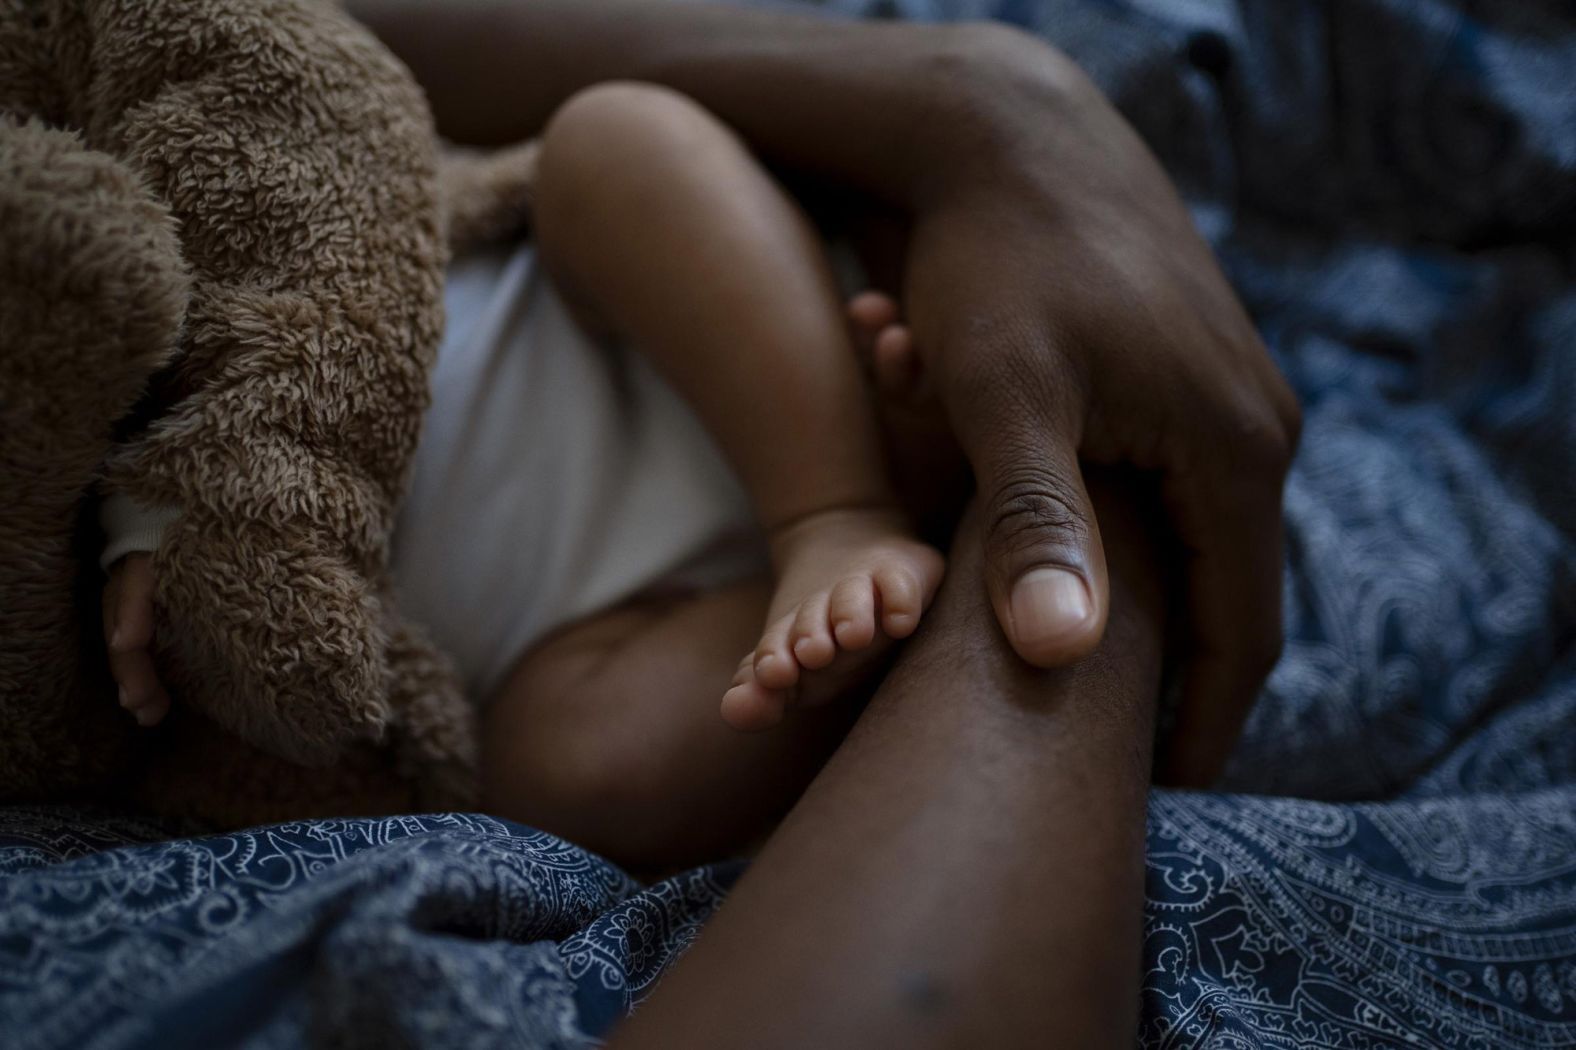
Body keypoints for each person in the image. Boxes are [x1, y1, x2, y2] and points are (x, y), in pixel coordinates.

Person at [100, 2, 1299, 1043]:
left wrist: (153, 504)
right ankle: (903, 558)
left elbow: (145, 245)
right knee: (568, 782)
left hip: (633, 329)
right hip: (576, 624)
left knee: (616, 146)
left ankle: (840, 501)